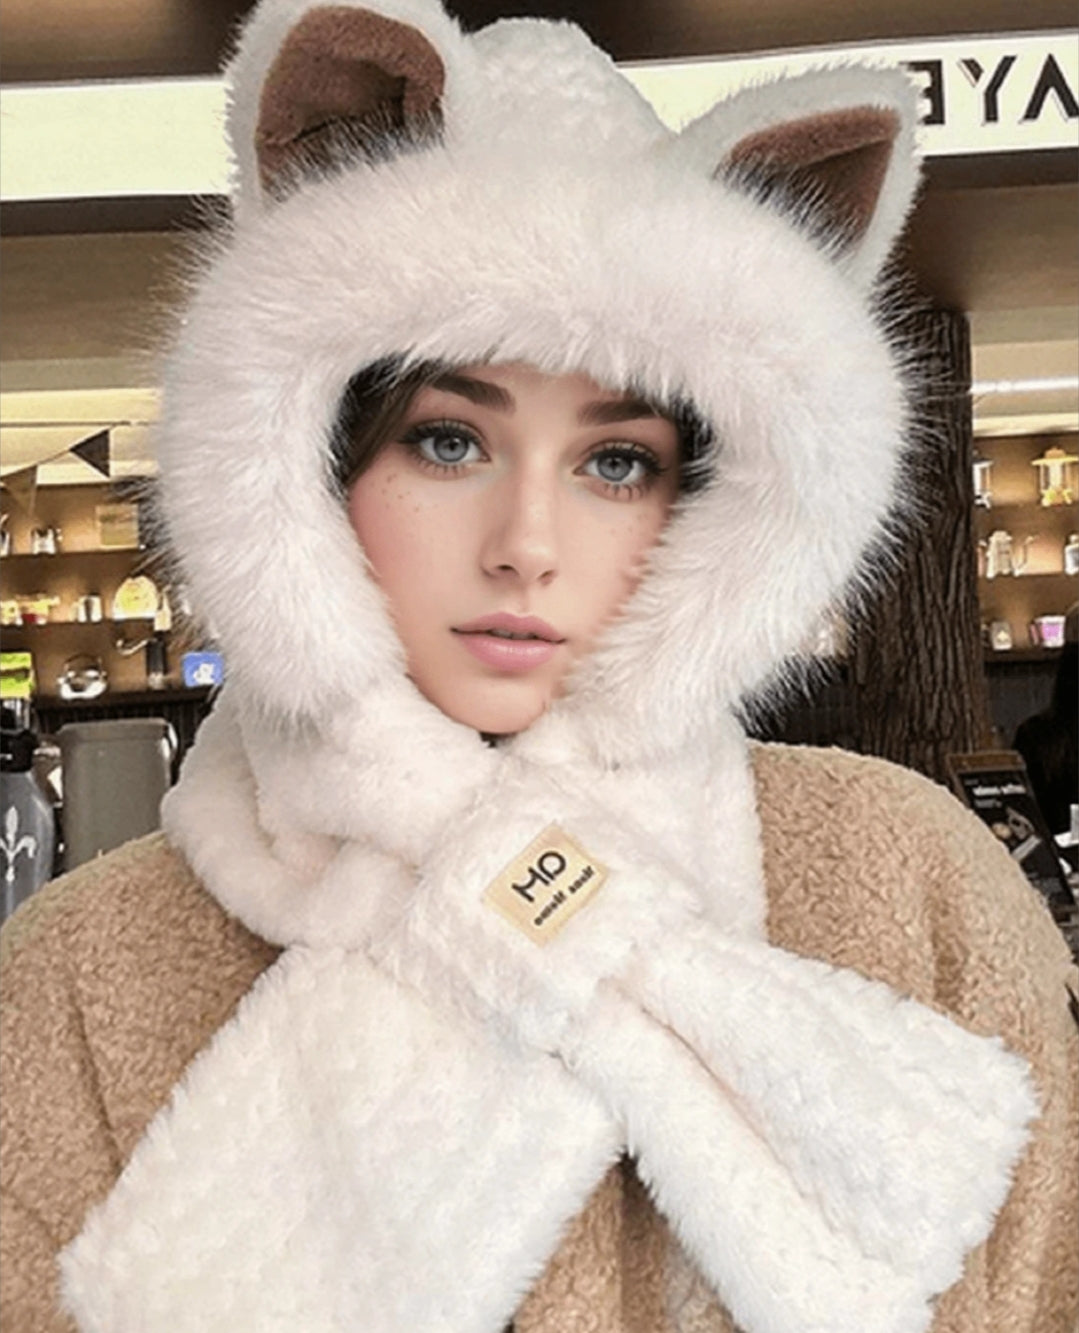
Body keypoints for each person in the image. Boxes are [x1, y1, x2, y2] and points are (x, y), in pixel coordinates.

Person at [1, 3, 1077, 1331]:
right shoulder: (80, 980)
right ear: (309, 464)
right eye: (449, 441)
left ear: (705, 510)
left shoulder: (912, 888)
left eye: (616, 462)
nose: (528, 545)